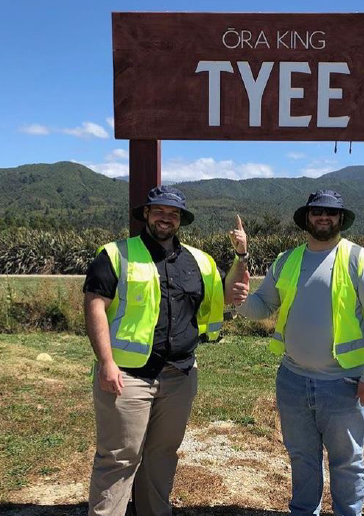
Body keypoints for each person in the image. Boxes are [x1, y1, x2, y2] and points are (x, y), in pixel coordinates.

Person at [231, 189, 364, 516]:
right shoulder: (287, 260)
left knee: (346, 462)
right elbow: (262, 307)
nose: (323, 217)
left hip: (344, 385)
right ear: (307, 218)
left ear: (340, 219)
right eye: (317, 212)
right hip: (293, 380)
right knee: (302, 458)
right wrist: (239, 298)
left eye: (330, 213)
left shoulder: (360, 260)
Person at [84, 185, 244, 516]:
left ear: (181, 220)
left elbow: (227, 297)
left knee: (162, 455)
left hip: (179, 376)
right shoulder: (116, 254)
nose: (165, 219)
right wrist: (107, 362)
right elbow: (95, 305)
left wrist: (242, 256)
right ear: (146, 214)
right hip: (127, 377)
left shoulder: (199, 261)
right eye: (158, 211)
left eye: (173, 214)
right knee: (118, 458)